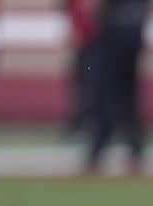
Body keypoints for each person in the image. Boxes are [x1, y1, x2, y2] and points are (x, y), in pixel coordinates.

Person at [84, 0, 151, 175]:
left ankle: (102, 141)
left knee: (106, 89)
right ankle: (134, 144)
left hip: (115, 31)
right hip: (131, 30)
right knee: (126, 91)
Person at [63, 0, 100, 141]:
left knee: (95, 85)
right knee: (82, 85)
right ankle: (80, 124)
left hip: (100, 44)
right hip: (84, 44)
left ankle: (92, 123)